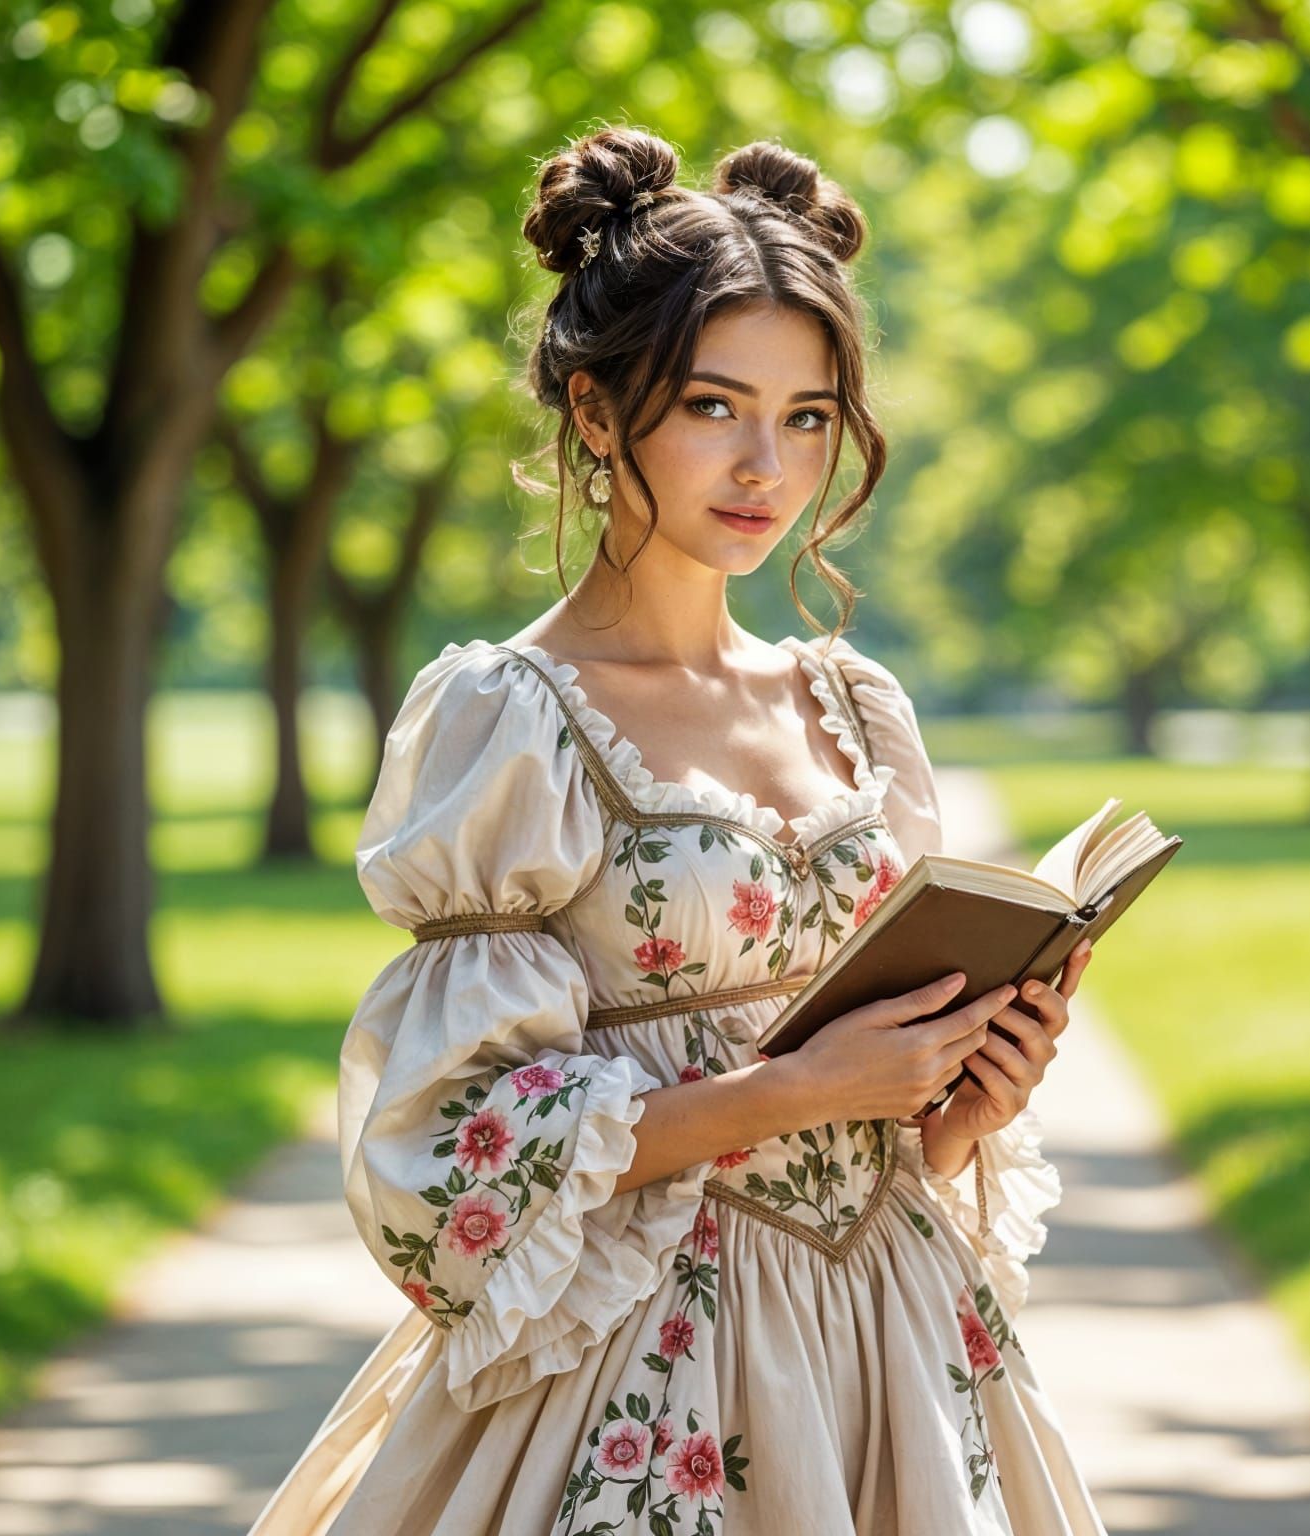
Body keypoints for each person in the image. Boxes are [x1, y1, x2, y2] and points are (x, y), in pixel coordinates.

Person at [248, 124, 1104, 1536]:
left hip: (891, 1338)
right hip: (644, 1360)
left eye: (809, 416)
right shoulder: (515, 717)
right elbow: (459, 1142)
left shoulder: (854, 701)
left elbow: (889, 1121)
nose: (767, 463)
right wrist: (794, 1092)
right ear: (596, 413)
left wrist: (961, 1101)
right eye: (716, 406)